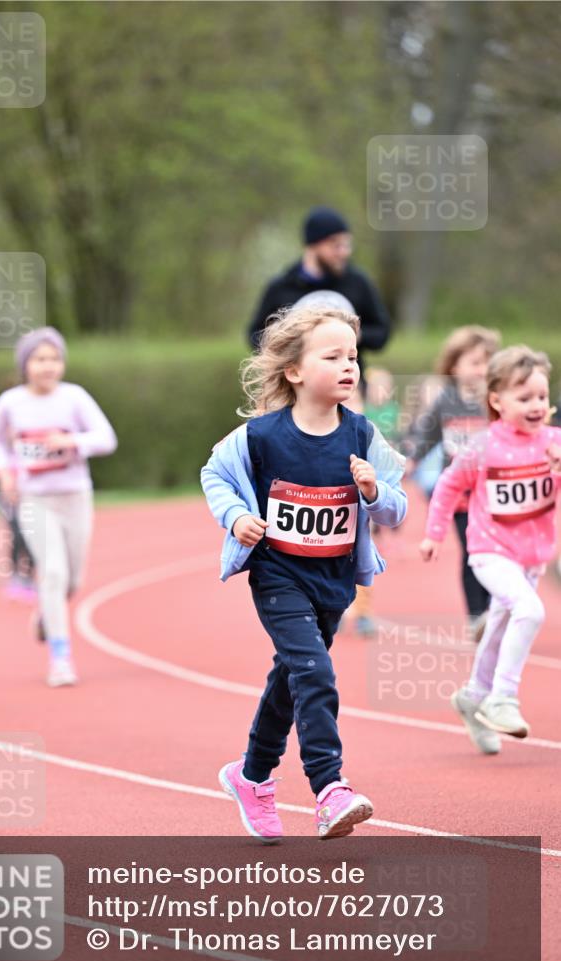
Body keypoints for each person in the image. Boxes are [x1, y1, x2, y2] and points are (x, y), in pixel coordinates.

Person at [201, 303, 407, 842]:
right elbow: (214, 474)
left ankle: (251, 776)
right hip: (277, 576)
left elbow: (397, 508)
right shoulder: (262, 436)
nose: (348, 366)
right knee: (314, 672)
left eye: (353, 357)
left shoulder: (363, 436)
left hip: (334, 582)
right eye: (332, 356)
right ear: (294, 370)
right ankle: (329, 787)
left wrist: (373, 492)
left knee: (291, 678)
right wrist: (236, 515)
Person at [420, 346, 561, 754]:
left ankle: (473, 697)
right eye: (524, 397)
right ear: (497, 401)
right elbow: (448, 485)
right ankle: (503, 698)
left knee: (498, 629)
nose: (536, 405)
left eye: (541, 396)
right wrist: (434, 534)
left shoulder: (554, 442)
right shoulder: (483, 447)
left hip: (531, 557)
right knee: (530, 611)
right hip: (489, 551)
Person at [0, 327, 117, 687]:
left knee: (72, 580)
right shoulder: (10, 403)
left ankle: (47, 611)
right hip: (35, 499)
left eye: (54, 359)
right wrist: (3, 472)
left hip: (75, 497)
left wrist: (70, 441)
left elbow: (106, 438)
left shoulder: (74, 397)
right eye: (40, 359)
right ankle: (60, 658)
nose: (48, 366)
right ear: (25, 365)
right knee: (53, 574)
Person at [407, 326, 501, 636]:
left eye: (487, 362)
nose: (482, 369)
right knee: (473, 551)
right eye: (475, 362)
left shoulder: (496, 400)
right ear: (454, 366)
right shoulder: (446, 400)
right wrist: (411, 460)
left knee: (497, 552)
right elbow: (428, 435)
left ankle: (495, 608)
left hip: (495, 491)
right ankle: (477, 616)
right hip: (461, 493)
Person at [247, 207, 391, 370]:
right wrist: (289, 342)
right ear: (313, 245)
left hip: (349, 381)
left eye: (347, 244)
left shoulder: (357, 282)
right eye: (336, 245)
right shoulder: (282, 286)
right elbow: (255, 335)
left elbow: (382, 332)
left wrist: (353, 335)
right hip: (299, 380)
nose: (344, 252)